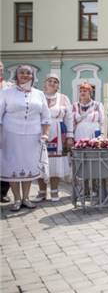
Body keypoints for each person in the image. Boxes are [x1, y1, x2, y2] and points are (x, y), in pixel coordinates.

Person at [0, 65, 51, 211]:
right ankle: (16, 199)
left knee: (28, 166)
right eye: (21, 72)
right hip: (10, 135)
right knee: (13, 167)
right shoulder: (6, 92)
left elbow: (46, 117)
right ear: (16, 75)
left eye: (28, 73)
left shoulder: (39, 94)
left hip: (33, 136)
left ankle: (26, 198)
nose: (25, 75)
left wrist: (45, 133)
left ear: (32, 76)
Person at [33, 74, 74, 203]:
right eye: (49, 81)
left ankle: (54, 190)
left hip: (57, 132)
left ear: (58, 85)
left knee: (55, 162)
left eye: (55, 81)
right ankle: (42, 191)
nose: (52, 83)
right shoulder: (38, 96)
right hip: (39, 131)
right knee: (40, 160)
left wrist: (70, 136)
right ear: (45, 83)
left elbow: (69, 118)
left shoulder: (63, 98)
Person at [0, 60, 13, 203]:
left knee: (7, 159)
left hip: (7, 127)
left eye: (1, 68)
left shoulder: (9, 87)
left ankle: (3, 191)